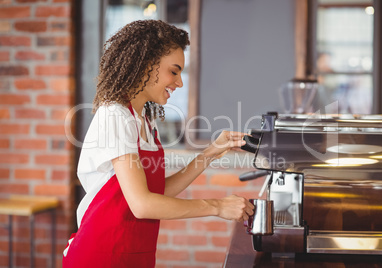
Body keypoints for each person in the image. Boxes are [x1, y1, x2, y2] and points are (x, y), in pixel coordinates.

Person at [62, 19, 254, 267]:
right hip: (102, 255)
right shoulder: (115, 115)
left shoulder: (144, 120)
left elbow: (157, 193)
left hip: (134, 254)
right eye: (173, 71)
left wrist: (210, 152)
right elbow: (142, 205)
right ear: (145, 65)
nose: (179, 82)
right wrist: (217, 206)